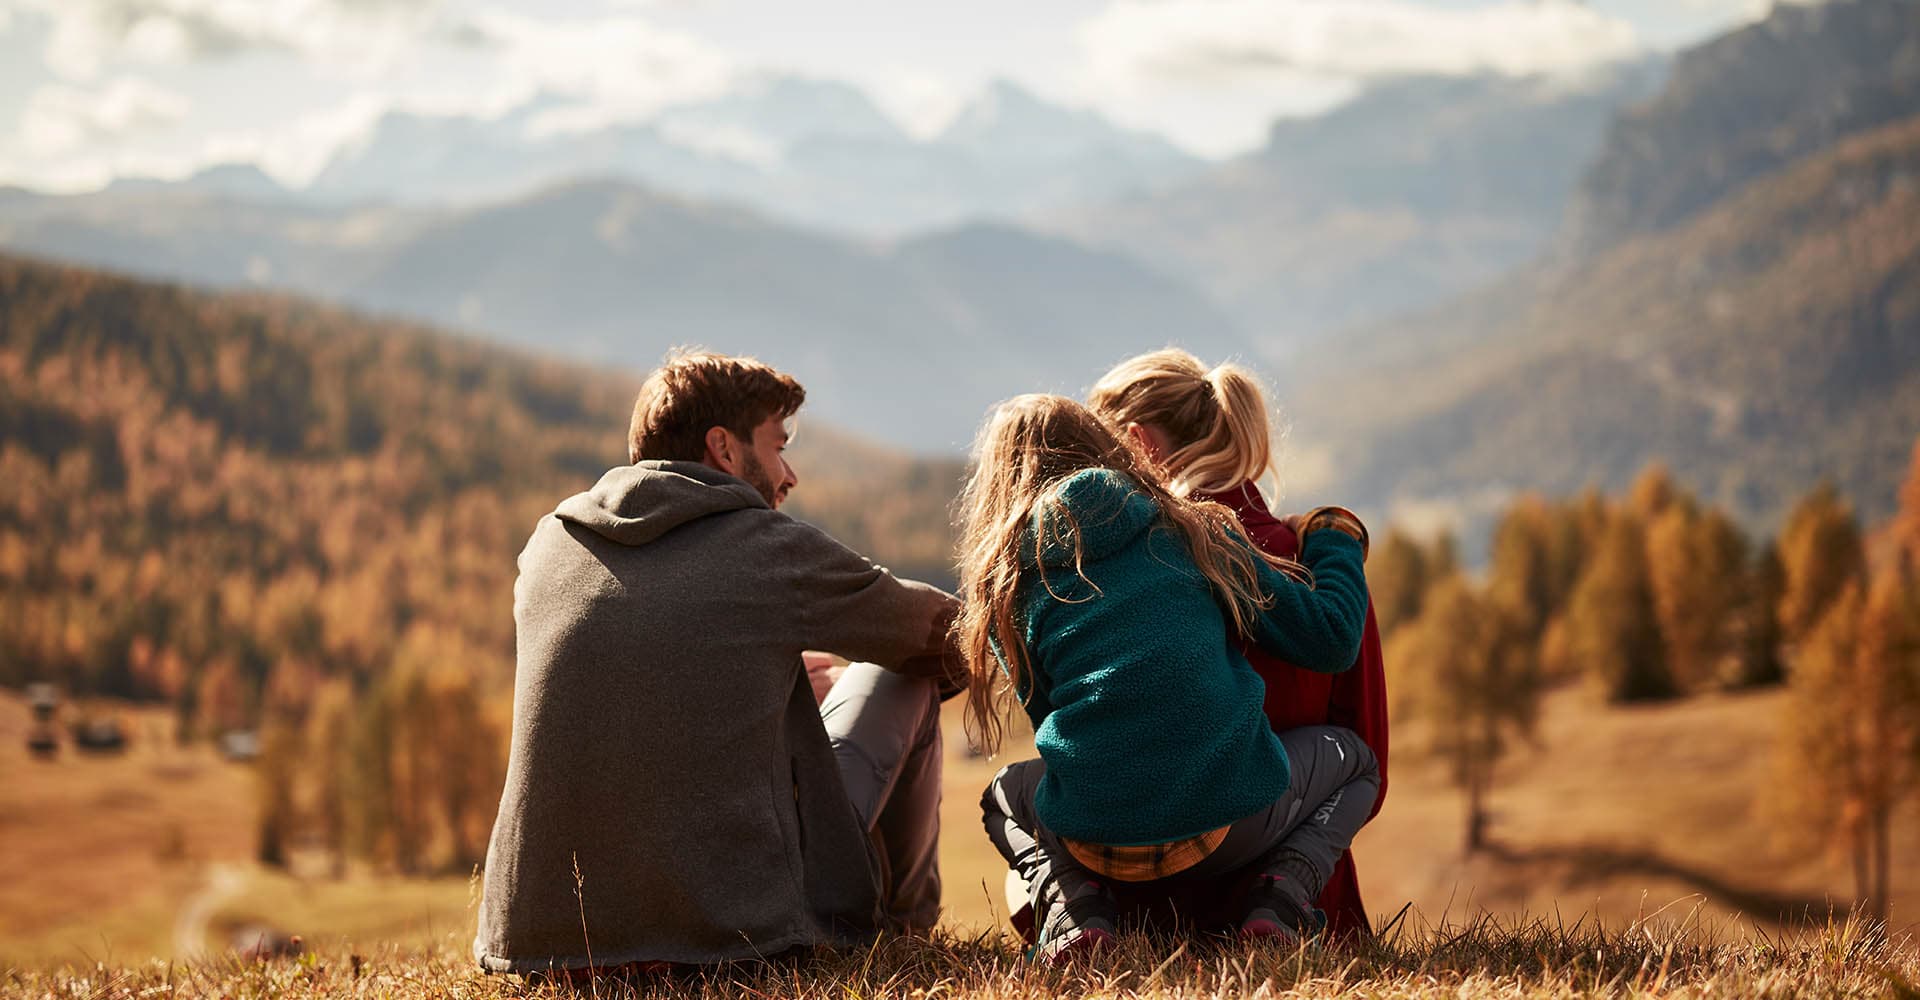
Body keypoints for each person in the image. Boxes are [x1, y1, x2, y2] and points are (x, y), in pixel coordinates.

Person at [474, 350, 960, 978]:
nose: (789, 475)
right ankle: (900, 929)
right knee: (904, 672)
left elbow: (644, 681)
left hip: (545, 945)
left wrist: (777, 688)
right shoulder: (767, 548)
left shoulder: (549, 543)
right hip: (732, 934)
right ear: (724, 450)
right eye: (779, 445)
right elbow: (942, 631)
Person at [957, 394, 1379, 961]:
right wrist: (1334, 536)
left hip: (1095, 842)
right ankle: (1283, 897)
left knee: (1002, 794)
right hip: (1231, 827)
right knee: (1356, 759)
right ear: (1107, 447)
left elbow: (1052, 729)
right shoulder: (1190, 528)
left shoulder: (1006, 581)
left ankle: (1073, 913)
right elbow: (1330, 637)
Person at [1088, 347, 1390, 940]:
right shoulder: (1317, 566)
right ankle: (1282, 895)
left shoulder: (1114, 570)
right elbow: (1369, 747)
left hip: (1137, 909)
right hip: (1296, 916)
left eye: (1102, 453)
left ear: (1138, 443)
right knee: (1357, 757)